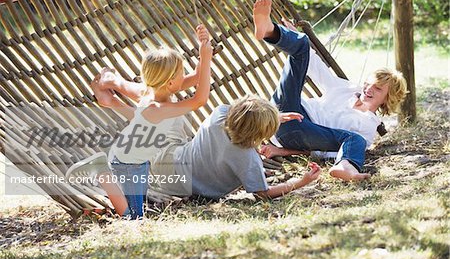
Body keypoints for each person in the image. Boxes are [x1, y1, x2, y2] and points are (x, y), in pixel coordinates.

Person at [66, 24, 212, 219]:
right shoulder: (159, 108)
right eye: (180, 73)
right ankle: (101, 171)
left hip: (136, 160)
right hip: (128, 164)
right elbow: (200, 99)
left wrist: (204, 48)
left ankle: (108, 94)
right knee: (134, 216)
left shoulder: (150, 91)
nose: (184, 76)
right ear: (169, 82)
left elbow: (195, 78)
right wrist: (207, 59)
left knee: (137, 206)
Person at [253, 0, 407, 181]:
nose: (369, 89)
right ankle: (269, 30)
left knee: (355, 140)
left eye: (378, 89)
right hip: (283, 113)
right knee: (302, 44)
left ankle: (346, 167)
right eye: (369, 83)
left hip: (302, 131)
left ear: (387, 99)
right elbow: (316, 67)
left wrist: (282, 151)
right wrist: (292, 38)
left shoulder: (367, 126)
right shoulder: (346, 89)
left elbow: (324, 151)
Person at [149, 94, 321, 200]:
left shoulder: (219, 114)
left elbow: (243, 114)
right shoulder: (247, 158)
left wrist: (274, 117)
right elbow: (263, 193)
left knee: (173, 113)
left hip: (166, 161)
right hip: (177, 186)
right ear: (260, 134)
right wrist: (302, 181)